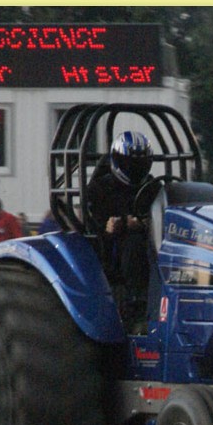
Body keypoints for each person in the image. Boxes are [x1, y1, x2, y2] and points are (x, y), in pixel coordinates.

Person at [87, 130, 154, 331]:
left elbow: (160, 213)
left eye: (140, 163)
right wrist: (114, 226)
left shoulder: (152, 186)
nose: (135, 168)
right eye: (130, 163)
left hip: (152, 242)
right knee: (133, 242)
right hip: (111, 250)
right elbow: (95, 224)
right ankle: (137, 306)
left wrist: (138, 223)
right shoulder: (100, 188)